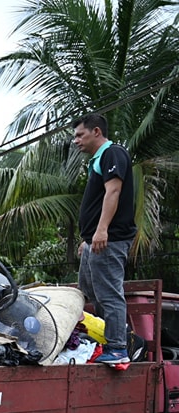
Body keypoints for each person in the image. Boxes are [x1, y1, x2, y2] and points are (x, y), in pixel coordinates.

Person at [72, 112, 136, 365]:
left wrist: (102, 230)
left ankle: (118, 347)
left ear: (96, 131)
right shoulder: (98, 159)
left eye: (80, 135)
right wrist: (88, 237)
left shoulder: (113, 153)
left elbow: (114, 191)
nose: (76, 141)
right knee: (89, 290)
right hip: (95, 240)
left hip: (110, 239)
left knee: (109, 293)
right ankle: (106, 338)